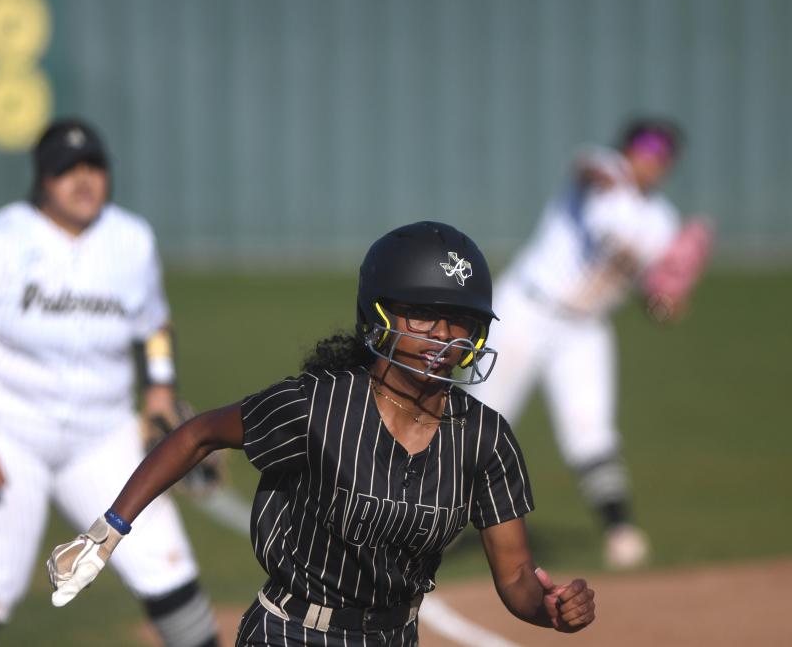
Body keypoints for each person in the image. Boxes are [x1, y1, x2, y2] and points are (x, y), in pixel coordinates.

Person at [47, 220, 596, 646]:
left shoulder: (484, 439)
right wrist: (108, 530)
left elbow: (517, 573)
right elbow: (198, 435)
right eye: (423, 315)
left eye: (461, 321)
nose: (444, 337)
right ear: (377, 317)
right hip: (290, 633)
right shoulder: (320, 406)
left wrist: (548, 609)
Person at [0, 119, 219, 647]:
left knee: (164, 563)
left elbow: (153, 325)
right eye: (67, 171)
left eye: (94, 168)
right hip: (5, 432)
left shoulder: (130, 239)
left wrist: (158, 390)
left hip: (101, 434)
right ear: (43, 179)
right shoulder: (0, 238)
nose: (83, 182)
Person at [471, 118, 701, 570]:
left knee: (590, 429)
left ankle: (620, 530)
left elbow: (655, 300)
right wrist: (606, 174)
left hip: (584, 329)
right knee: (479, 422)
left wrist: (665, 302)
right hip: (524, 310)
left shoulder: (662, 222)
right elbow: (586, 166)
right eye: (646, 148)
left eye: (663, 155)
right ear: (628, 149)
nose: (652, 160)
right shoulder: (604, 172)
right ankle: (417, 522)